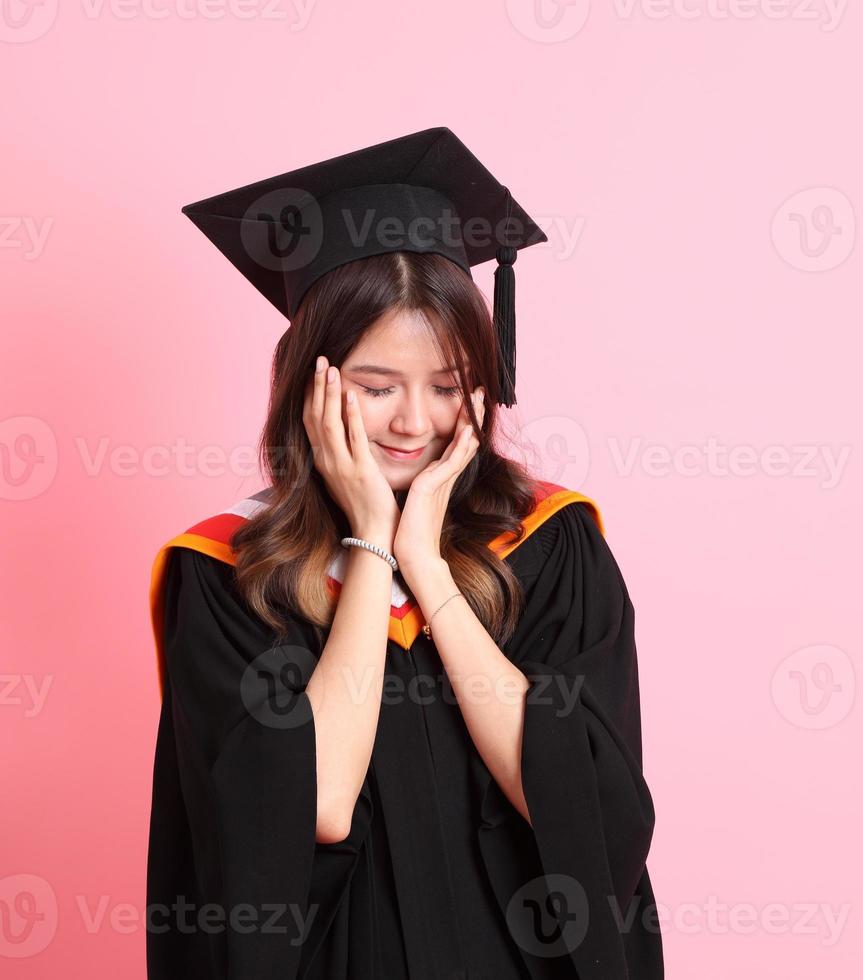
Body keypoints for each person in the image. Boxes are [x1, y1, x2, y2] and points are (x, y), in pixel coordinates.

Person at [147, 128, 663, 979]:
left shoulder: (553, 545)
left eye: (449, 387)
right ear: (307, 384)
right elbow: (314, 804)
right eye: (376, 388)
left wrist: (428, 567)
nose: (413, 423)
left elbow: (576, 802)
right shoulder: (227, 578)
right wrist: (370, 548)